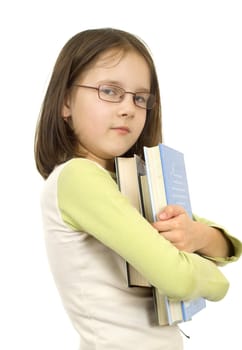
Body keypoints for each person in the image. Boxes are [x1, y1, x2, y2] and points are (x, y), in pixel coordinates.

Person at [34, 28, 241, 350]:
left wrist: (199, 236)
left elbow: (228, 247)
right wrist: (218, 281)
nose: (128, 108)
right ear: (65, 102)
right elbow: (179, 278)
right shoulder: (78, 178)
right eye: (110, 91)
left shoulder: (126, 183)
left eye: (140, 98)